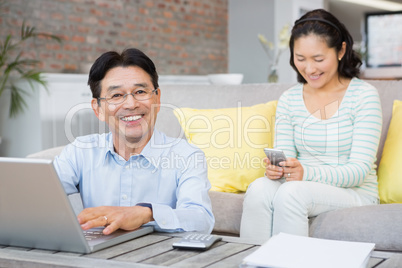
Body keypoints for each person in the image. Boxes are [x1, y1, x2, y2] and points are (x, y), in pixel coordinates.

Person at [240, 9, 382, 242]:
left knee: (292, 193)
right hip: (300, 185)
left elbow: (358, 171)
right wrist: (278, 170)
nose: (309, 69)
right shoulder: (289, 98)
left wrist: (306, 173)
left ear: (341, 51)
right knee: (259, 188)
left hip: (354, 192)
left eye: (318, 59)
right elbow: (286, 158)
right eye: (300, 59)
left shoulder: (364, 96)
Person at [54, 48, 214, 235]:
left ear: (157, 99)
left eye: (140, 91)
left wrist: (147, 213)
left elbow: (201, 219)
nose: (131, 104)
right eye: (116, 95)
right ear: (98, 109)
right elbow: (40, 196)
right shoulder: (79, 151)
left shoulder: (187, 155)